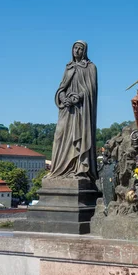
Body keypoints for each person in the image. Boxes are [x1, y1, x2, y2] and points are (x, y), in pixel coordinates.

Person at [48, 41, 98, 181]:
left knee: (78, 138)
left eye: (80, 49)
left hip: (81, 111)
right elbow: (61, 88)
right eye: (75, 48)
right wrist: (63, 98)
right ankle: (58, 171)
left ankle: (78, 169)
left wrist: (78, 97)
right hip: (66, 110)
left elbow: (91, 90)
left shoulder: (91, 67)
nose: (77, 51)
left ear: (85, 51)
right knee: (59, 136)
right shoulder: (68, 67)